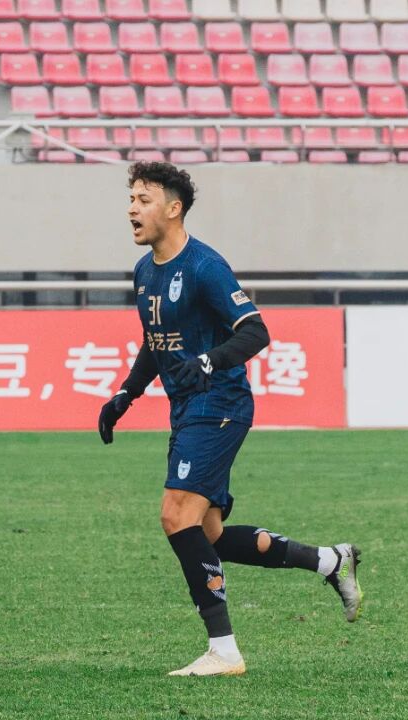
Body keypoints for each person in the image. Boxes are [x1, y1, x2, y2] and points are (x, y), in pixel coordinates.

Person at [98, 162, 362, 677]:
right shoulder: (145, 271)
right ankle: (330, 560)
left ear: (173, 208)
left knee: (176, 516)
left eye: (144, 199)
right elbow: (157, 342)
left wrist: (207, 362)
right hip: (187, 409)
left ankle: (224, 651)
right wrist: (127, 392)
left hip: (219, 404)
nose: (132, 209)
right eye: (131, 198)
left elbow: (255, 331)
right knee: (210, 533)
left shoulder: (204, 267)